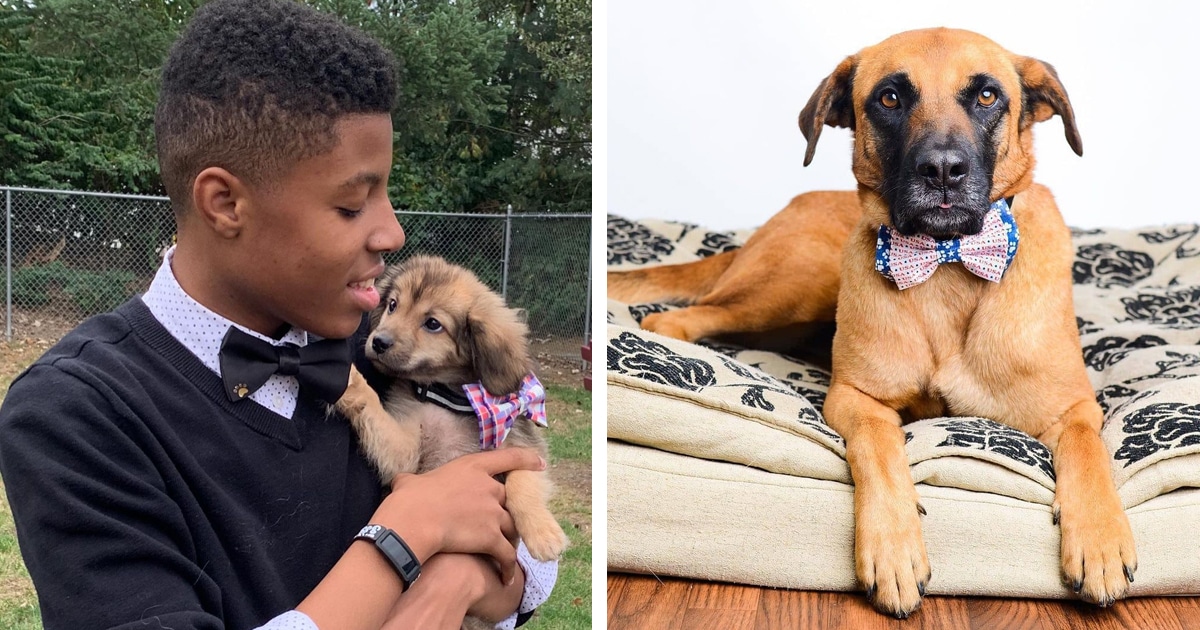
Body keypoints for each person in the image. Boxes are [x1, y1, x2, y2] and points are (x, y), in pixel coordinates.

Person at [0, 1, 557, 628]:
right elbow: (435, 521)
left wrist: (457, 580)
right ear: (225, 203)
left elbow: (530, 546)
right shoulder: (74, 415)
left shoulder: (385, 354)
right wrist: (405, 537)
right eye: (352, 205)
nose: (392, 232)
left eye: (386, 194)